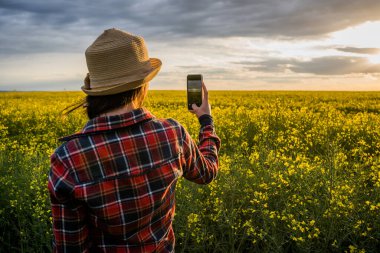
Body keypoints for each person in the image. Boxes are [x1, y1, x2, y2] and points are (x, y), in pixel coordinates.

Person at [48, 28, 221, 252]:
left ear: (95, 90)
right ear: (143, 84)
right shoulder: (173, 135)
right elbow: (207, 172)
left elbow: (69, 248)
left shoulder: (69, 159)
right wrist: (206, 121)